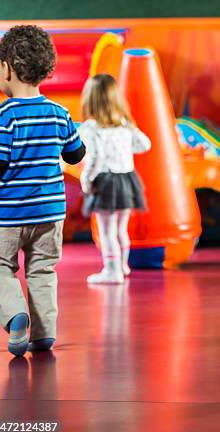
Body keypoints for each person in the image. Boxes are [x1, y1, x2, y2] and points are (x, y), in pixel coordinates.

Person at [0, 25, 85, 356]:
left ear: (7, 68)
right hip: (50, 214)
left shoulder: (3, 116)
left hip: (7, 215)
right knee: (43, 270)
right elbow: (75, 154)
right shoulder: (60, 113)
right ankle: (44, 333)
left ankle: (16, 312)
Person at [78, 73, 151, 284]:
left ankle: (112, 271)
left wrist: (86, 180)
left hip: (106, 182)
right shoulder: (123, 124)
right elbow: (145, 145)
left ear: (89, 100)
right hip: (127, 180)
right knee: (120, 229)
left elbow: (95, 158)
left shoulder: (90, 128)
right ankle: (122, 265)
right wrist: (127, 137)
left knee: (107, 230)